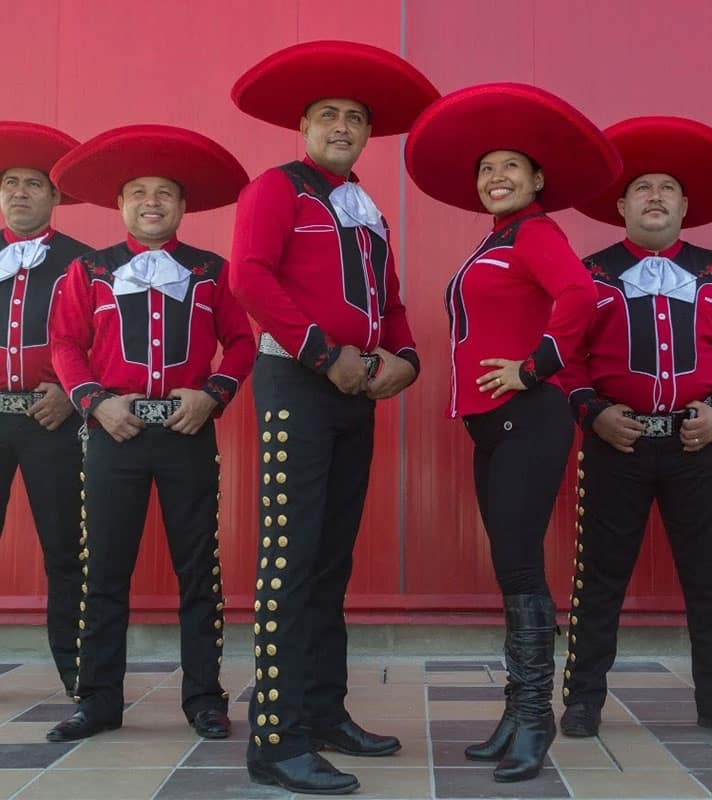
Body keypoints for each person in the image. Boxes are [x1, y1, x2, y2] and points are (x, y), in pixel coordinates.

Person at [229, 40, 438, 795]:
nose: (342, 125)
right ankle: (275, 739)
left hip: (357, 392)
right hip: (299, 383)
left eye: (355, 117)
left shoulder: (367, 208)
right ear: (304, 127)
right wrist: (324, 354)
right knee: (288, 561)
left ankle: (324, 712)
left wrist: (405, 361)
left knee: (330, 561)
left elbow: (394, 304)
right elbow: (248, 277)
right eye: (328, 115)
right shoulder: (276, 188)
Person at [404, 83, 620, 782]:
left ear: (537, 181)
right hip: (491, 425)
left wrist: (537, 367)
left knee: (521, 563)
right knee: (510, 564)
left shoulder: (537, 232)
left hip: (531, 416)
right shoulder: (496, 240)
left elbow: (582, 295)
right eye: (486, 170)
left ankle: (535, 719)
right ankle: (515, 711)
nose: (497, 178)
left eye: (511, 169)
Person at [558, 116, 712, 741]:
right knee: (598, 577)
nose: (655, 196)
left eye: (667, 189)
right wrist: (593, 413)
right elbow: (565, 359)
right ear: (621, 204)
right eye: (642, 188)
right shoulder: (590, 271)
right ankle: (583, 700)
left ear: (685, 206)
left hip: (698, 445)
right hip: (615, 444)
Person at [44, 124, 255, 742]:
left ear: (183, 207)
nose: (152, 201)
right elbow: (64, 344)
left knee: (199, 571)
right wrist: (95, 403)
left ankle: (204, 699)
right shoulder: (91, 271)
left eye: (165, 192)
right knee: (103, 571)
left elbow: (242, 342)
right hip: (115, 435)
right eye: (138, 192)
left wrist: (214, 393)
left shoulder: (213, 272)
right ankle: (98, 701)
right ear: (122, 205)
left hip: (188, 432)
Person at [0, 121, 88, 696]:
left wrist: (69, 391)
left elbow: (103, 338)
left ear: (55, 196)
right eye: (10, 182)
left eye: (34, 183)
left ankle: (79, 674)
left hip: (50, 418)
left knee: (65, 547)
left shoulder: (83, 261)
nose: (21, 192)